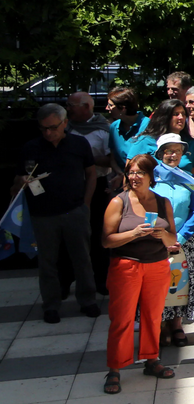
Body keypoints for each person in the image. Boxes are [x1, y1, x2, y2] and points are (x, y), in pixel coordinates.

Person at [14, 103, 99, 323]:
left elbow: (91, 174)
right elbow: (17, 182)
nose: (48, 133)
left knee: (82, 258)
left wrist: (86, 203)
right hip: (42, 214)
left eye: (53, 127)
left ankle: (88, 300)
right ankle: (51, 305)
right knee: (47, 262)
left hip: (75, 210)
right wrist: (21, 181)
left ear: (65, 123)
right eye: (43, 128)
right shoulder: (31, 148)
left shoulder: (79, 144)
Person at [102, 155, 176, 393]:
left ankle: (151, 360)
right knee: (122, 319)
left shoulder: (163, 202)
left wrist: (162, 235)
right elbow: (106, 240)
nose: (134, 177)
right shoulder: (118, 202)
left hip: (157, 265)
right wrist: (133, 233)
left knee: (153, 317)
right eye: (131, 172)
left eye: (140, 173)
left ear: (151, 176)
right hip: (126, 266)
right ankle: (114, 369)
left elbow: (173, 239)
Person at [154, 135, 194, 346]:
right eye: (169, 150)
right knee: (158, 285)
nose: (173, 155)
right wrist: (160, 236)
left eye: (178, 151)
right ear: (159, 153)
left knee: (180, 284)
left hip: (185, 240)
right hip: (156, 240)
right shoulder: (152, 178)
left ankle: (176, 325)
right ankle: (157, 325)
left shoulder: (188, 178)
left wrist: (181, 237)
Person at [65, 91, 114, 296]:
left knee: (96, 232)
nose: (68, 109)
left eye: (72, 105)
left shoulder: (104, 129)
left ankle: (100, 279)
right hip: (70, 185)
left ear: (86, 107)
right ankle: (66, 280)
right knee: (68, 234)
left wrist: (85, 158)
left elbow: (110, 159)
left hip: (98, 184)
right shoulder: (65, 127)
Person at [107, 87, 148, 166]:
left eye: (110, 105)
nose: (107, 108)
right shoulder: (114, 127)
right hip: (119, 172)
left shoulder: (147, 126)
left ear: (123, 108)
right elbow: (113, 158)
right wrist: (119, 172)